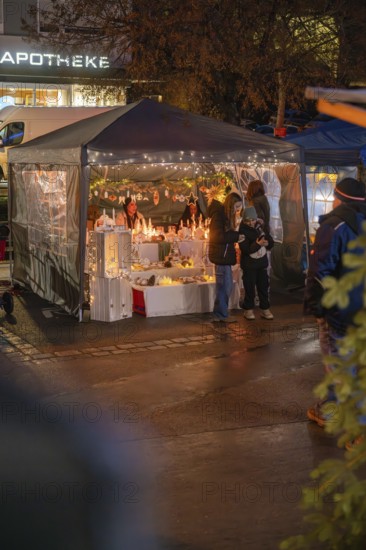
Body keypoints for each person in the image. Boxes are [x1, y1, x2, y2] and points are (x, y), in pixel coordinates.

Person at [304, 177, 366, 426]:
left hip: (340, 313)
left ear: (339, 199)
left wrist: (318, 309)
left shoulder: (334, 226)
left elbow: (321, 274)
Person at [208, 190, 244, 321]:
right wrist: (236, 236)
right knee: (224, 286)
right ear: (231, 205)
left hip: (223, 257)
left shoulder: (225, 217)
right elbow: (218, 237)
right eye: (237, 207)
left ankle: (220, 314)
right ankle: (221, 314)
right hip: (220, 257)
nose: (238, 210)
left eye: (239, 207)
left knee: (225, 286)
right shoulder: (219, 216)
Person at [239, 206, 274, 320]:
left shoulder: (260, 228)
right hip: (249, 264)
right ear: (244, 220)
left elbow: (270, 242)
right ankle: (248, 310)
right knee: (249, 287)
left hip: (261, 263)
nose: (251, 223)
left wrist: (267, 242)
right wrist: (258, 244)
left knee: (263, 287)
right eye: (247, 221)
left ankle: (265, 308)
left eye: (253, 220)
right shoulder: (242, 231)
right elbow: (246, 249)